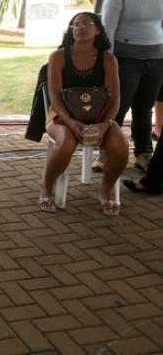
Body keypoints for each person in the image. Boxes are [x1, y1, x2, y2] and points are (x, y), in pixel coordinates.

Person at [40, 12, 128, 216]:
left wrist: (107, 124)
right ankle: (47, 186)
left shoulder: (108, 59)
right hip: (61, 114)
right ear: (71, 30)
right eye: (75, 24)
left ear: (97, 30)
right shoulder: (58, 56)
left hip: (100, 116)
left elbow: (115, 98)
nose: (79, 27)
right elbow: (54, 95)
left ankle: (105, 189)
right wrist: (70, 122)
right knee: (66, 143)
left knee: (121, 146)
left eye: (86, 23)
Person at [101, 0, 163, 172]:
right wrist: (109, 61)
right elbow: (108, 28)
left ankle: (143, 154)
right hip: (126, 60)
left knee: (144, 107)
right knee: (117, 107)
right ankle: (106, 153)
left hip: (156, 58)